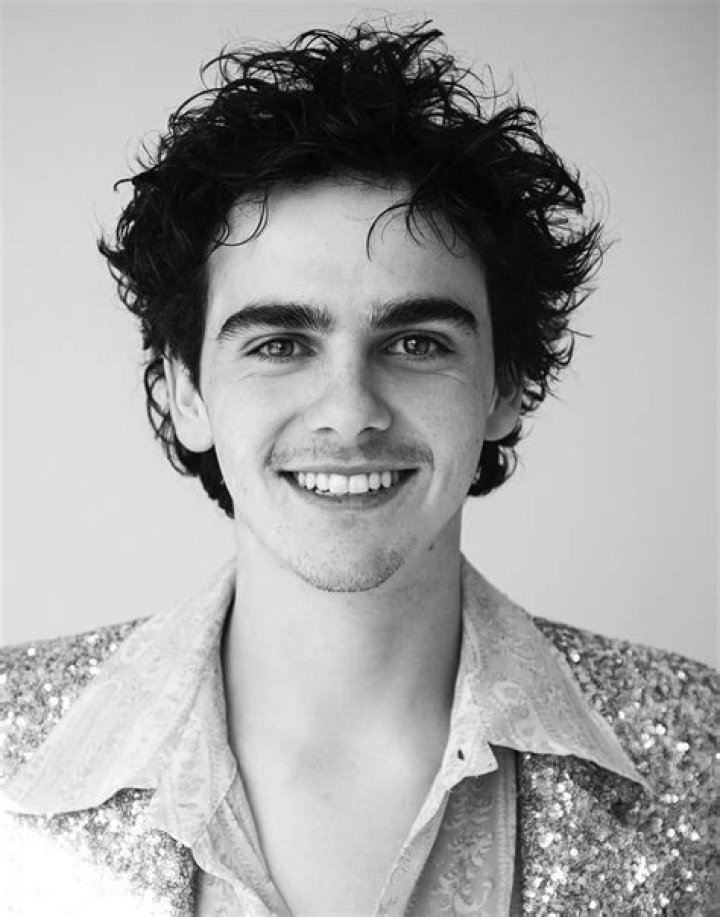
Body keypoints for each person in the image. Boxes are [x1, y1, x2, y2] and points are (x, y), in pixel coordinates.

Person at [0, 22, 715, 917]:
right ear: (186, 393)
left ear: (506, 386)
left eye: (416, 342)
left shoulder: (704, 755)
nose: (349, 410)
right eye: (279, 343)